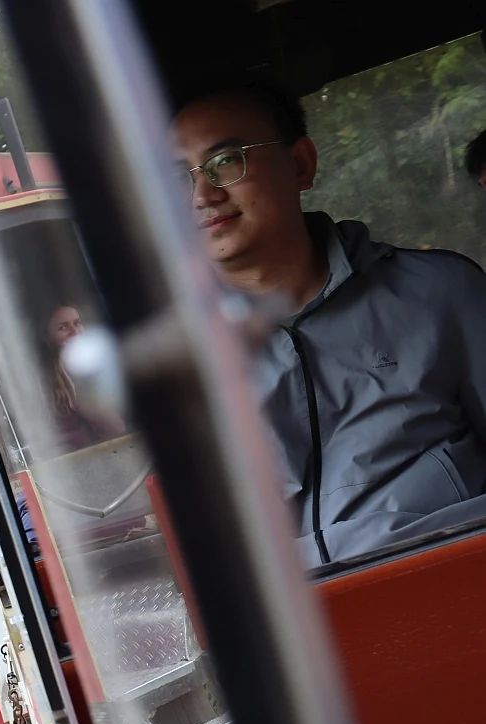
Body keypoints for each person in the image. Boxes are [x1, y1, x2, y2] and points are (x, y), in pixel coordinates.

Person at [172, 79, 486, 565]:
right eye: (177, 176)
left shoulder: (439, 293)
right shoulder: (180, 358)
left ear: (300, 164)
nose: (201, 194)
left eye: (226, 162)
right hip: (296, 622)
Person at [40, 303, 124, 450]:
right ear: (48, 338)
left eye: (77, 323)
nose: (75, 331)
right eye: (63, 327)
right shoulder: (46, 385)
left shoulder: (102, 367)